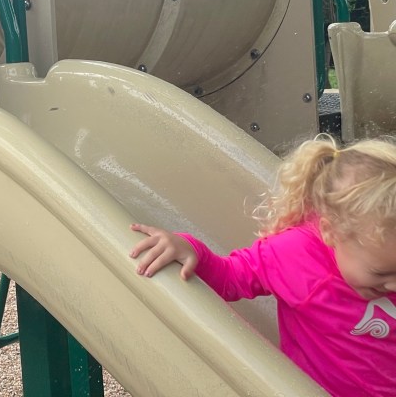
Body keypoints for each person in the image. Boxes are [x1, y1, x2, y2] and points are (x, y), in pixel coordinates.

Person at [130, 134, 396, 396]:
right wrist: (191, 249)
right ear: (331, 232)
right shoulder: (293, 255)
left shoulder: (376, 251)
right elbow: (229, 278)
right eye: (381, 273)